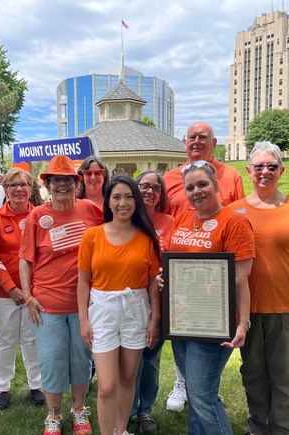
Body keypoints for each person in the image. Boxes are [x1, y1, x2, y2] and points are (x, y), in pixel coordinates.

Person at [229, 142, 289, 435]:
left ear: (281, 170)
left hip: (288, 310)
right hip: (248, 312)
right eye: (259, 166)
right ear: (248, 171)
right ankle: (258, 428)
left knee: (285, 379)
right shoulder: (234, 212)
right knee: (254, 375)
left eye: (272, 166)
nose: (265, 172)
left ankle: (284, 430)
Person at [163, 121, 245, 412]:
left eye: (204, 137)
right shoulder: (170, 178)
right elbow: (163, 220)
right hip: (182, 288)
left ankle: (204, 391)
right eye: (192, 137)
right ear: (184, 142)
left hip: (215, 289)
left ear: (214, 142)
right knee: (184, 345)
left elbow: (239, 221)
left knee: (204, 382)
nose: (197, 142)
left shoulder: (231, 175)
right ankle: (184, 384)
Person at [168, 160, 255, 434]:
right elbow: (174, 264)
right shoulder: (183, 218)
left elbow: (241, 278)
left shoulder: (235, 222)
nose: (197, 191)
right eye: (190, 187)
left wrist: (243, 323)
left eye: (202, 184)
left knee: (203, 396)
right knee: (196, 394)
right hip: (181, 320)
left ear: (216, 185)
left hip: (214, 323)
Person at [19, 155, 103, 435]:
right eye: (57, 180)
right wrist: (28, 296)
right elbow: (25, 259)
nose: (62, 185)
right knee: (52, 360)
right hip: (48, 305)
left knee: (81, 359)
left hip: (84, 305)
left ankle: (78, 409)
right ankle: (53, 414)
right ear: (48, 185)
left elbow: (114, 236)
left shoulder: (91, 211)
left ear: (76, 184)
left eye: (68, 180)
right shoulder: (37, 216)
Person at [78, 175, 161, 435]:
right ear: (108, 202)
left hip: (136, 309)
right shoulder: (92, 236)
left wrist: (155, 319)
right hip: (102, 309)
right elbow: (83, 281)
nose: (123, 203)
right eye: (116, 197)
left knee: (127, 379)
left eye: (128, 196)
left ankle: (121, 429)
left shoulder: (147, 239)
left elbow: (151, 284)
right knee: (106, 386)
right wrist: (83, 319)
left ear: (135, 201)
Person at [0, 168, 44, 410]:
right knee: (6, 339)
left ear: (30, 189)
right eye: (13, 185)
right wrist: (12, 288)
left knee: (32, 338)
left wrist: (31, 290)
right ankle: (2, 386)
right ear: (5, 189)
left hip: (34, 291)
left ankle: (37, 385)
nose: (19, 189)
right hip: (4, 292)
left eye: (23, 184)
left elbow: (44, 256)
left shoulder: (41, 216)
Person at [129, 171, 174, 434]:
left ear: (161, 195)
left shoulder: (169, 222)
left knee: (150, 358)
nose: (148, 191)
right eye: (143, 185)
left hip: (159, 300)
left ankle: (145, 408)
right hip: (129, 300)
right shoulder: (126, 218)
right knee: (128, 359)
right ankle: (127, 407)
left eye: (155, 188)